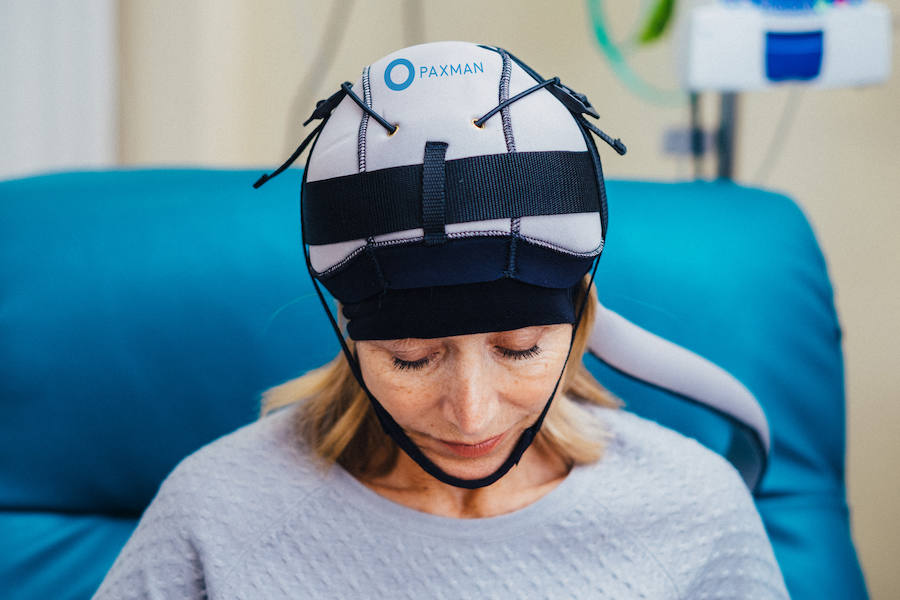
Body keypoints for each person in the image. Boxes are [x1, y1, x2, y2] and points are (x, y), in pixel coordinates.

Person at [94, 41, 789, 598]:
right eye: (412, 358)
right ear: (347, 332)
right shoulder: (216, 514)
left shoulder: (694, 508)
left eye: (519, 349)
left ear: (580, 319)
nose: (471, 416)